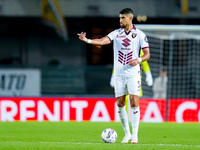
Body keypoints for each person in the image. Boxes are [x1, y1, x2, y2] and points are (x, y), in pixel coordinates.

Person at [77, 8, 150, 144]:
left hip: (133, 73)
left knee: (134, 101)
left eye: (122, 18)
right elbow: (102, 41)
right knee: (120, 104)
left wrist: (138, 60)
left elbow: (147, 54)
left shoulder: (140, 35)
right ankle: (127, 134)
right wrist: (87, 40)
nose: (120, 20)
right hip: (119, 75)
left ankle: (135, 135)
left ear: (130, 18)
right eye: (120, 18)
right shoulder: (116, 33)